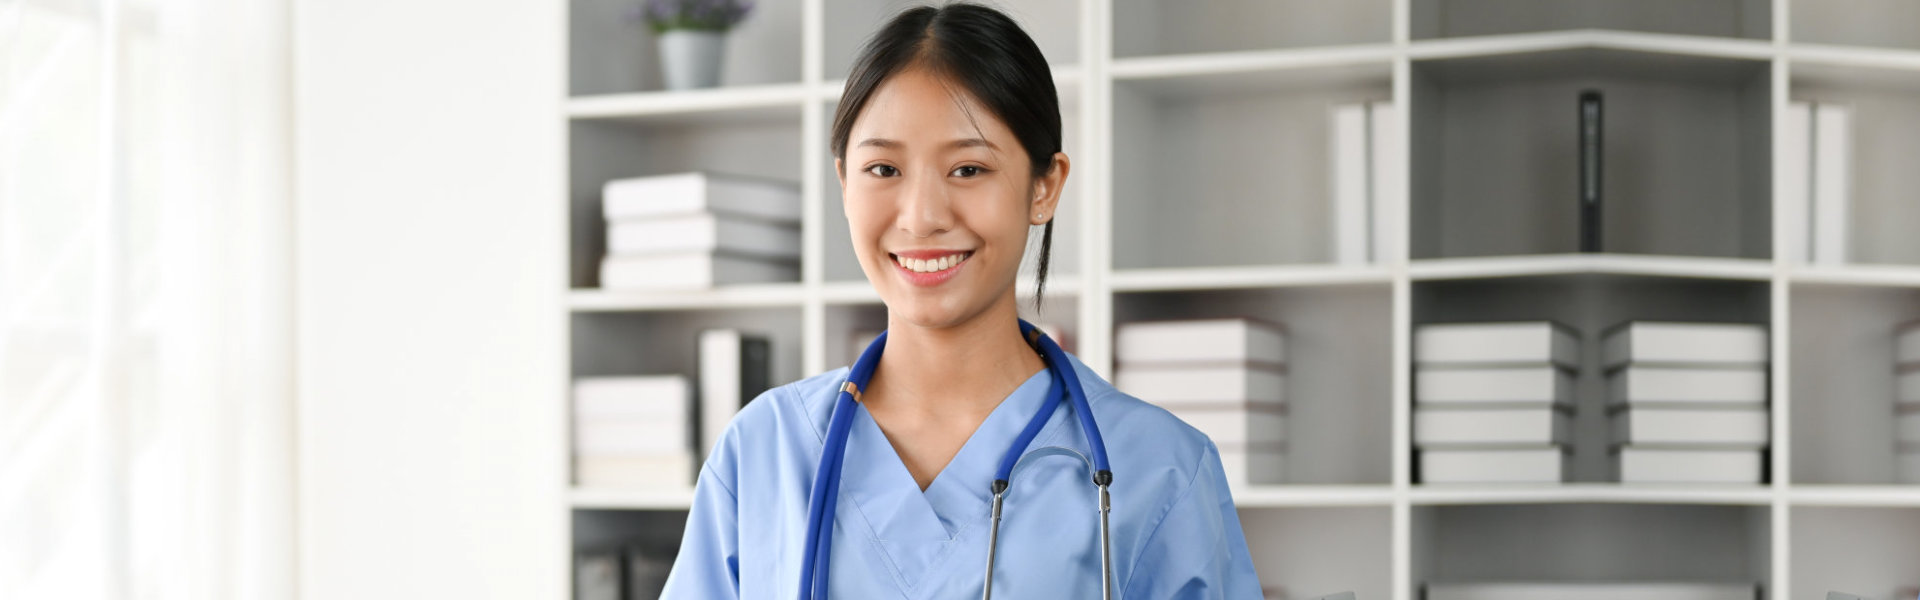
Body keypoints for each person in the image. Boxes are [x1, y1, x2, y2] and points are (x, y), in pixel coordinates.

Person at [659, 3, 1263, 598]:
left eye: (968, 169)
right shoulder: (764, 452)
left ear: (1044, 186)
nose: (922, 218)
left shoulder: (1162, 471)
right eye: (884, 169)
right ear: (844, 183)